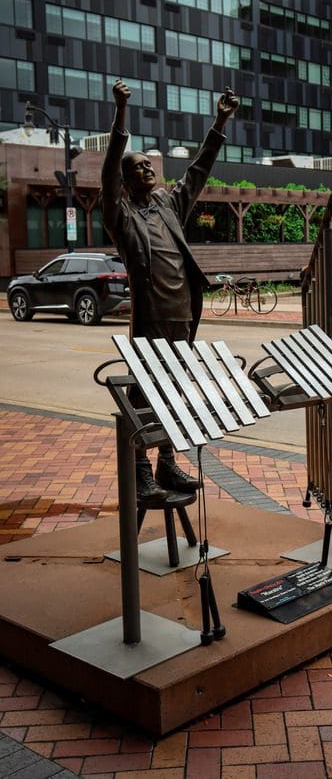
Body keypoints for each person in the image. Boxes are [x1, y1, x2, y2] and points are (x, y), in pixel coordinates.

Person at [101, 80, 238, 505]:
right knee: (143, 395)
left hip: (183, 314)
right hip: (151, 318)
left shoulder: (167, 204)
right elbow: (107, 172)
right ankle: (141, 472)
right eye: (137, 167)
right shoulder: (120, 215)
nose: (147, 170)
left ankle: (166, 461)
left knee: (174, 389)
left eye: (148, 165)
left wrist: (219, 120)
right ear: (124, 181)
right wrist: (121, 113)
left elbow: (197, 170)